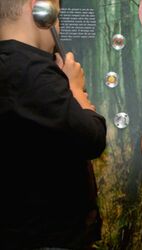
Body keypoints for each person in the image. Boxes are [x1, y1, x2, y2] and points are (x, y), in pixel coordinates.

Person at [0, 0, 107, 249]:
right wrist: (75, 89)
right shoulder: (31, 71)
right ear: (39, 10)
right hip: (49, 237)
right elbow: (92, 138)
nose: (58, 25)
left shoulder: (11, 66)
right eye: (57, 15)